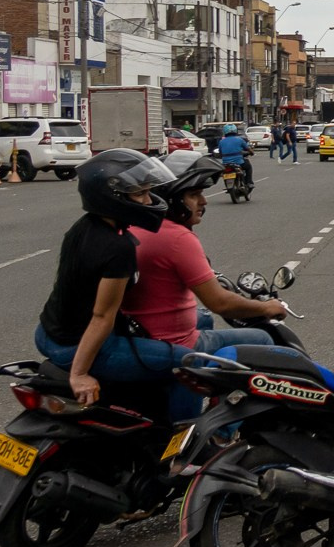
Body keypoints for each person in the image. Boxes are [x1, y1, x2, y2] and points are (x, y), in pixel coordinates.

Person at [120, 150, 291, 418]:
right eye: (193, 195)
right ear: (173, 199)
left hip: (139, 327)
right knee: (261, 338)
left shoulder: (139, 225)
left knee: (203, 319)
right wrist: (267, 307)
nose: (203, 201)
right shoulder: (178, 238)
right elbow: (220, 302)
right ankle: (218, 430)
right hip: (169, 339)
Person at [33, 150, 175, 407]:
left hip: (48, 333)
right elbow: (102, 316)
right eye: (140, 194)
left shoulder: (83, 227)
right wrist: (79, 374)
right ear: (113, 197)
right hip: (75, 346)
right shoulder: (118, 248)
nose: (146, 201)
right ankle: (180, 437)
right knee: (192, 363)